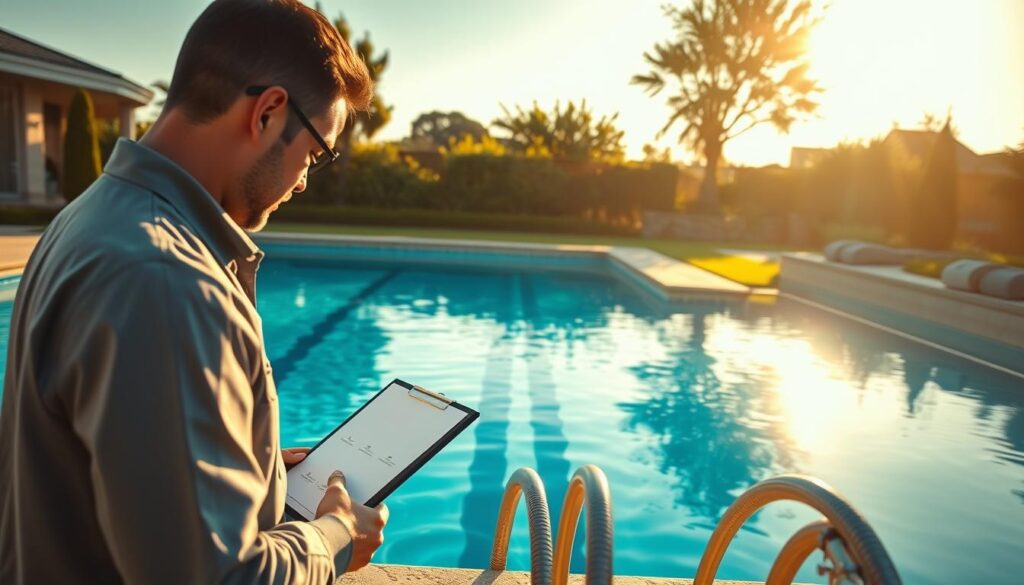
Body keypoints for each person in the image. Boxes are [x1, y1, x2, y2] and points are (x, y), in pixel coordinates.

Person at [0, 1, 387, 582]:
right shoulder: (165, 278)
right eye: (315, 151)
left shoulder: (92, 218)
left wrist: (242, 468)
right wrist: (332, 535)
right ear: (268, 113)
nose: (305, 178)